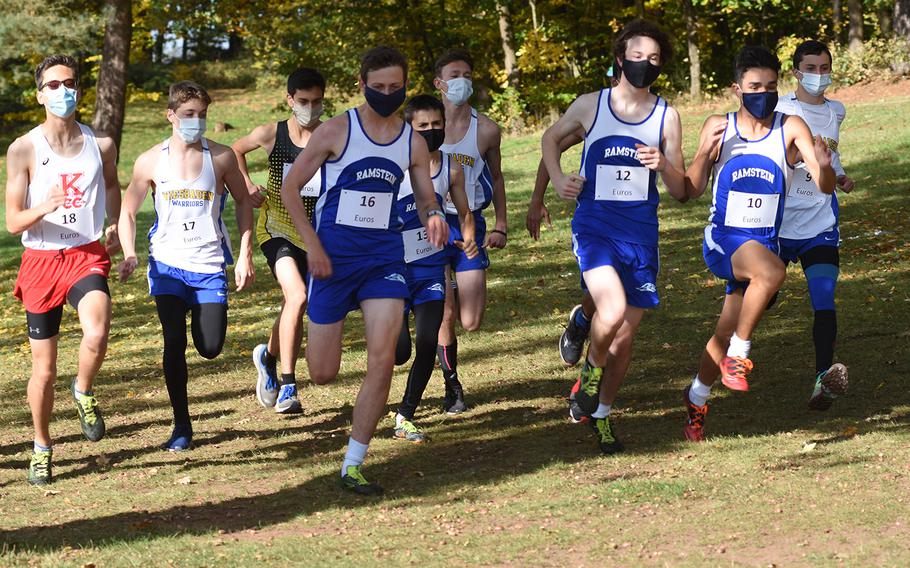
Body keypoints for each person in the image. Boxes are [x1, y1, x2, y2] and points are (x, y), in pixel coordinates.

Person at [281, 46, 448, 494]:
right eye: (379, 88)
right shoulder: (337, 130)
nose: (387, 95)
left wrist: (434, 214)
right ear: (362, 85)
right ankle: (271, 358)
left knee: (383, 358)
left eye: (396, 88)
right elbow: (291, 188)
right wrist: (312, 245)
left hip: (383, 260)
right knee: (323, 372)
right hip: (332, 261)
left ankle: (353, 463)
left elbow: (426, 193)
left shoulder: (411, 141)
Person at [541, 20, 687, 454]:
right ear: (620, 59)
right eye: (638, 57)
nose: (645, 65)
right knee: (613, 306)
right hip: (595, 227)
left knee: (624, 336)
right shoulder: (592, 105)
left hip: (640, 234)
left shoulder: (667, 116)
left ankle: (600, 414)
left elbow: (680, 191)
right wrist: (557, 179)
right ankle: (589, 373)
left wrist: (663, 165)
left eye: (655, 59)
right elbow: (551, 139)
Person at [682, 46, 835, 441]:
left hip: (763, 240)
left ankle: (697, 397)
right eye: (754, 86)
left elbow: (823, 184)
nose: (762, 93)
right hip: (725, 238)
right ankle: (740, 356)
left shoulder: (791, 126)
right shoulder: (720, 125)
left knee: (724, 327)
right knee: (773, 272)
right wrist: (702, 153)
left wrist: (826, 164)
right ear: (737, 88)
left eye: (770, 86)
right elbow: (691, 190)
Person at [119, 81, 255, 451]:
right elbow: (128, 211)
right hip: (167, 265)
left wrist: (244, 253)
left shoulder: (222, 157)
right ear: (171, 116)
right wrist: (130, 252)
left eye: (202, 115)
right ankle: (182, 425)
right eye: (188, 115)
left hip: (209, 263)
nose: (196, 121)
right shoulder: (150, 160)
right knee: (173, 341)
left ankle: (205, 339)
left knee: (210, 346)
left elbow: (243, 202)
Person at [5, 54, 121, 485]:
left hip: (85, 255)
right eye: (53, 85)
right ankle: (41, 446)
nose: (63, 91)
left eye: (69, 83)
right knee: (44, 371)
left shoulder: (100, 144)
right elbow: (13, 221)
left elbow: (111, 182)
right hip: (40, 262)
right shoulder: (23, 149)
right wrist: (45, 206)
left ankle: (84, 391)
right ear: (40, 94)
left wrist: (110, 221)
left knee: (97, 329)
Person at [232, 68, 326, 414]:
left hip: (315, 236)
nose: (310, 107)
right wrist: (247, 185)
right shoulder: (273, 133)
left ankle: (267, 357)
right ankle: (289, 386)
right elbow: (235, 150)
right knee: (297, 296)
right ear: (290, 99)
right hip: (278, 229)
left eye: (316, 101)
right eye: (303, 101)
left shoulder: (330, 136)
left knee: (297, 304)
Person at [392, 94, 478, 443]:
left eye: (436, 125)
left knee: (428, 342)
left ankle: (405, 415)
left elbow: (466, 214)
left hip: (431, 269)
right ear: (409, 129)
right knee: (399, 351)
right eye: (422, 126)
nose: (431, 131)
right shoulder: (394, 167)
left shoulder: (451, 168)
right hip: (394, 270)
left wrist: (469, 238)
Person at [775, 40, 852, 411]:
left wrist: (838, 174)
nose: (818, 75)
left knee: (824, 300)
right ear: (795, 71)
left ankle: (823, 378)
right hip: (777, 224)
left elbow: (831, 157)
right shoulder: (780, 110)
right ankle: (731, 350)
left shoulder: (836, 110)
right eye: (811, 67)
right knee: (761, 296)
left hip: (820, 222)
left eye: (824, 68)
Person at [433, 49, 508, 414]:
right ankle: (452, 386)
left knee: (471, 320)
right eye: (454, 73)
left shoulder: (488, 129)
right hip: (430, 224)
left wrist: (501, 224)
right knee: (445, 312)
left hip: (470, 224)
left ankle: (449, 286)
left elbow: (497, 176)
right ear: (439, 83)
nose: (461, 79)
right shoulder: (420, 126)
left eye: (466, 73)